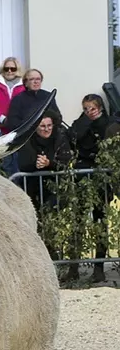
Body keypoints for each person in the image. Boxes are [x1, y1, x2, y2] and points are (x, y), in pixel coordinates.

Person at [17, 110, 71, 262]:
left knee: (52, 223)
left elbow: (65, 162)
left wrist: (49, 164)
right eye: (42, 126)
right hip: (33, 190)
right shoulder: (28, 140)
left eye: (49, 126)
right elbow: (23, 164)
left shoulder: (59, 138)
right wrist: (37, 163)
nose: (46, 129)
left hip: (55, 190)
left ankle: (55, 255)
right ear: (36, 127)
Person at [69, 94, 110, 281]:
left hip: (101, 177)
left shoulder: (106, 124)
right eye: (85, 109)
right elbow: (73, 136)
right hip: (82, 174)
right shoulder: (81, 122)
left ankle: (99, 267)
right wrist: (85, 121)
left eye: (92, 108)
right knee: (78, 221)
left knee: (100, 222)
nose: (89, 112)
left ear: (99, 108)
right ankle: (73, 267)